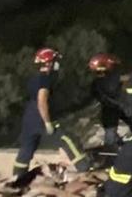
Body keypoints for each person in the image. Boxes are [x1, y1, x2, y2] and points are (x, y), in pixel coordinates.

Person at [15, 48, 90, 185]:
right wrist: (47, 122)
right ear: (49, 63)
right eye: (55, 61)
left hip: (29, 118)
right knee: (68, 139)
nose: (57, 64)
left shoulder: (33, 78)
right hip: (41, 116)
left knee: (26, 149)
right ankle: (84, 168)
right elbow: (42, 100)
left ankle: (17, 177)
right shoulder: (45, 79)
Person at [88, 54, 132, 150]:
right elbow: (128, 78)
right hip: (117, 108)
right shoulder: (110, 79)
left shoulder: (96, 83)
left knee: (111, 133)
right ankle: (113, 152)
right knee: (112, 136)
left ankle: (115, 147)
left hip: (112, 109)